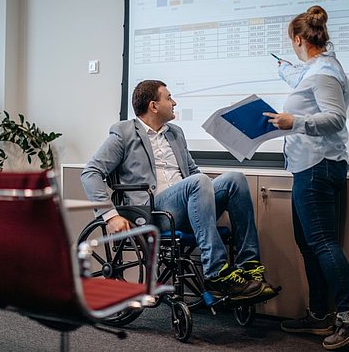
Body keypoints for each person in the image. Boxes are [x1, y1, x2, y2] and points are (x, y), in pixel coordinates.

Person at [81, 79, 277, 302]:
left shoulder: (176, 133)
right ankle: (215, 272)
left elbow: (193, 172)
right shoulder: (123, 133)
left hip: (189, 206)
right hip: (153, 213)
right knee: (199, 181)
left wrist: (209, 185)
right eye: (169, 98)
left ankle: (248, 266)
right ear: (153, 105)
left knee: (235, 179)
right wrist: (110, 216)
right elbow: (90, 173)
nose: (174, 103)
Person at [263, 5, 349, 350]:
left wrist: (292, 122)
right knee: (309, 243)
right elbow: (304, 79)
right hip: (307, 166)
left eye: (292, 41)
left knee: (323, 242)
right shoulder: (320, 67)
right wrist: (287, 70)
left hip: (317, 166)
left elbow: (335, 118)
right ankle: (319, 314)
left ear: (298, 39)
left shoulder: (324, 72)